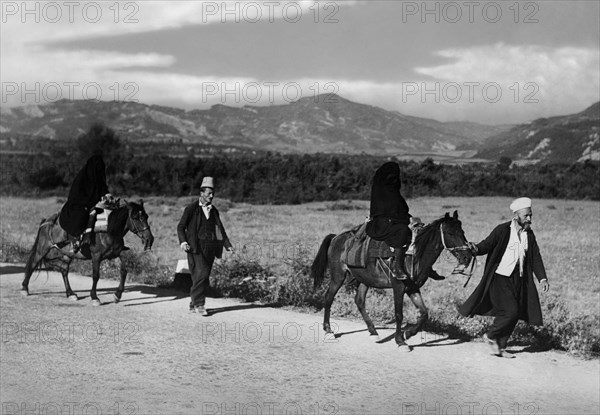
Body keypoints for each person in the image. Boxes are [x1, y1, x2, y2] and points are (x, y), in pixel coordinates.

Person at [458, 197, 550, 358]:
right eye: (526, 216)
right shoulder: (502, 230)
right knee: (511, 311)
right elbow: (486, 245)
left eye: (530, 215)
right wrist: (475, 248)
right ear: (516, 215)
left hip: (520, 278)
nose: (529, 219)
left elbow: (535, 256)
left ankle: (500, 347)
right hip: (500, 277)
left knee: (516, 311)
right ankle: (490, 335)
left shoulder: (529, 234)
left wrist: (542, 278)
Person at [177, 177, 234, 316]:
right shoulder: (191, 209)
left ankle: (193, 302)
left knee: (203, 277)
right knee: (201, 274)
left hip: (210, 248)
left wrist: (227, 245)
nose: (211, 196)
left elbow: (219, 229)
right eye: (208, 193)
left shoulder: (214, 210)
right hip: (195, 247)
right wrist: (183, 242)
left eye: (212, 193)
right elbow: (181, 227)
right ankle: (199, 304)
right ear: (201, 193)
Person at [365, 161, 411, 280]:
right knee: (402, 230)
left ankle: (424, 267)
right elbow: (385, 211)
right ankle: (397, 267)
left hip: (393, 220)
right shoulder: (381, 189)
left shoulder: (392, 189)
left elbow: (399, 209)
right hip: (381, 224)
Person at [58, 154, 113, 253]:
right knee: (81, 217)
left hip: (94, 203)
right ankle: (75, 241)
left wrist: (108, 196)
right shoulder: (82, 178)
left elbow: (103, 189)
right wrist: (89, 203)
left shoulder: (99, 178)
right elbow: (76, 195)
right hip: (78, 204)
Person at [407, 217, 445, 281]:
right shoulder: (413, 231)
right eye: (416, 225)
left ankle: (429, 269)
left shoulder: (421, 231)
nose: (419, 227)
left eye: (420, 225)